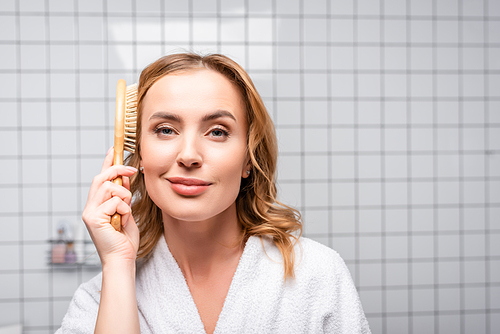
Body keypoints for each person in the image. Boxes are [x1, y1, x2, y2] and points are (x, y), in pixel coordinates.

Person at [56, 53, 371, 334]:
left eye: (217, 132)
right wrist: (117, 264)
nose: (189, 155)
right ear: (139, 154)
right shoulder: (100, 300)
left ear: (248, 158)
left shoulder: (318, 274)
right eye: (165, 130)